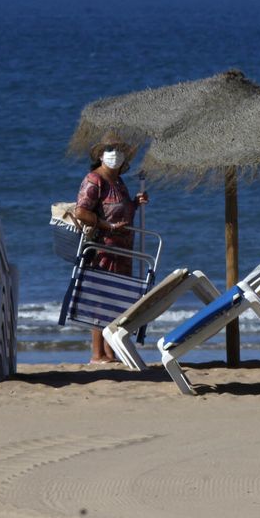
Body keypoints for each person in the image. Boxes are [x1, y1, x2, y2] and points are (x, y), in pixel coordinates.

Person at [72, 133, 149, 364]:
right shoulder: (95, 179)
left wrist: (135, 203)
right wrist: (109, 225)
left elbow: (120, 209)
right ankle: (97, 354)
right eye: (109, 150)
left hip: (123, 250)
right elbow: (81, 212)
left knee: (116, 300)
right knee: (100, 298)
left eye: (118, 150)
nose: (114, 154)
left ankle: (110, 351)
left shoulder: (119, 181)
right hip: (103, 248)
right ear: (100, 155)